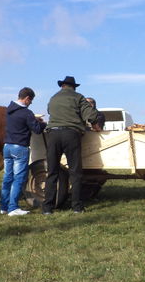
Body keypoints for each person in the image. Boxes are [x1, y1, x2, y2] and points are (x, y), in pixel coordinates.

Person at [42, 76, 105, 214]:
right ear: (74, 87)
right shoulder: (78, 97)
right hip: (71, 135)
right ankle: (76, 207)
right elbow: (91, 115)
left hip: (52, 135)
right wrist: (96, 126)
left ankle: (47, 208)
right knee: (75, 172)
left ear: (62, 86)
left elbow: (49, 111)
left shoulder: (53, 98)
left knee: (52, 172)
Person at [0, 87, 46, 216]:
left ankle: (4, 206)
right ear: (27, 98)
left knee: (7, 178)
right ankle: (13, 208)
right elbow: (37, 130)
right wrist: (42, 124)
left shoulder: (9, 110)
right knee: (18, 178)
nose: (30, 103)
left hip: (7, 146)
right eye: (30, 101)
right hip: (19, 147)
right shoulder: (27, 113)